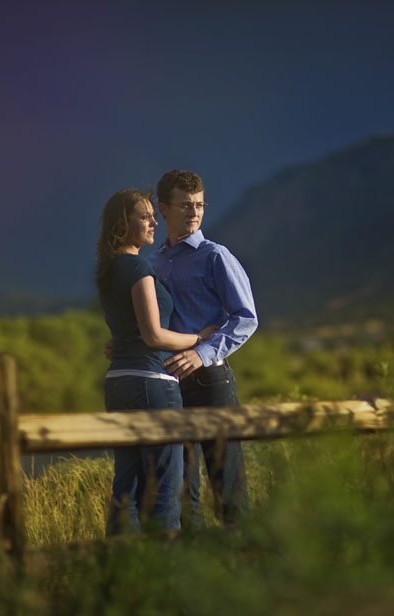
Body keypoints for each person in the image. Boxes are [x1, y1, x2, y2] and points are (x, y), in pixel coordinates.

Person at [96, 187, 217, 534]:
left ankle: (122, 571)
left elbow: (129, 329)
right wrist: (200, 338)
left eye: (153, 214)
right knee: (164, 488)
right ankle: (164, 572)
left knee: (127, 487)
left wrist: (120, 342)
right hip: (152, 385)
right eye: (145, 216)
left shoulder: (110, 269)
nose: (153, 221)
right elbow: (153, 336)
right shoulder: (137, 268)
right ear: (123, 223)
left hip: (118, 383)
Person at [151, 169, 258, 527]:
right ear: (163, 208)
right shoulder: (154, 264)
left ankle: (241, 564)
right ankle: (195, 572)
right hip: (169, 384)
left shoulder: (216, 256)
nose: (194, 212)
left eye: (199, 205)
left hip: (212, 381)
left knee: (228, 486)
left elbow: (246, 318)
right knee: (181, 491)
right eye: (185, 205)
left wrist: (203, 352)